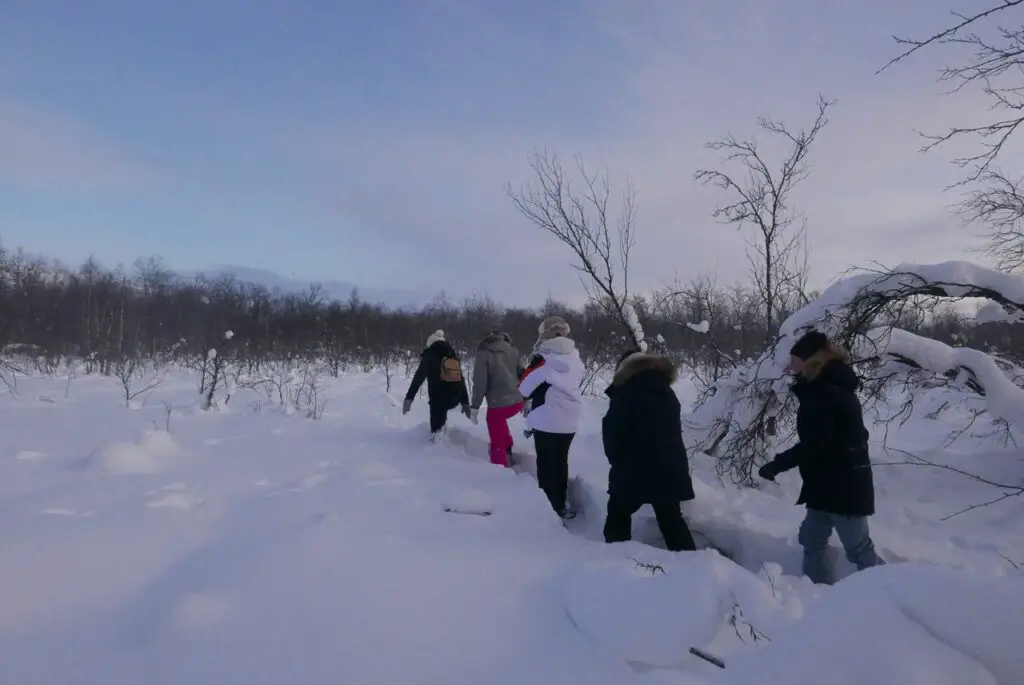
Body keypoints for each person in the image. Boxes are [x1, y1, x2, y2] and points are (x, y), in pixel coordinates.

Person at [757, 329, 884, 585]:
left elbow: (816, 444)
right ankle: (815, 591)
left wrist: (777, 464)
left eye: (794, 358)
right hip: (825, 483)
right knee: (811, 539)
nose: (789, 363)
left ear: (808, 359)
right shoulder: (821, 388)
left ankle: (891, 595)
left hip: (844, 485)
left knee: (858, 548)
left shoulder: (826, 393)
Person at [602, 349, 697, 552]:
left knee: (618, 513)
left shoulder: (625, 394)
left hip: (634, 469)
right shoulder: (667, 392)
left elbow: (612, 435)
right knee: (671, 519)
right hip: (670, 468)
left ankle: (616, 556)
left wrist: (618, 462)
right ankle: (692, 564)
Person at [519, 316, 585, 519]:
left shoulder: (543, 359)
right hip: (570, 419)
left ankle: (550, 509)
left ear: (544, 335)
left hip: (546, 419)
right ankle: (561, 503)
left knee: (546, 465)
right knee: (560, 462)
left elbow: (524, 387)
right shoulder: (576, 358)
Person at [469, 330, 524, 467]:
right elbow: (523, 374)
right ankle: (508, 446)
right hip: (517, 401)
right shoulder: (513, 350)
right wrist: (527, 398)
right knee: (499, 420)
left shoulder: (483, 353)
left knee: (495, 430)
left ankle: (499, 468)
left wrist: (475, 406)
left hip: (498, 403)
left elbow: (480, 383)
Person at [403, 330, 470, 439]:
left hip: (437, 399)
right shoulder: (452, 354)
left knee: (436, 423)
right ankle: (442, 433)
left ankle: (436, 445)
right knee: (442, 409)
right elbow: (460, 379)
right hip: (455, 397)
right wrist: (465, 402)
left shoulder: (430, 354)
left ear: (430, 344)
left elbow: (419, 377)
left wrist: (409, 398)